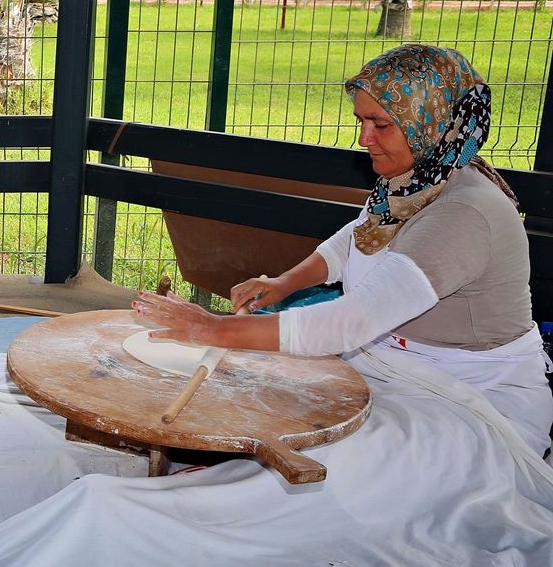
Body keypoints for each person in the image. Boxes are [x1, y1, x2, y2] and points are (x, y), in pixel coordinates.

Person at [134, 44, 553, 457]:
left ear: (431, 122)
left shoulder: (465, 212)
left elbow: (353, 320)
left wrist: (213, 329)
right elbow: (359, 235)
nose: (363, 137)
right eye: (361, 120)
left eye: (381, 124)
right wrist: (285, 283)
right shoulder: (415, 180)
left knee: (326, 460)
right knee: (265, 413)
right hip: (394, 371)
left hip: (467, 403)